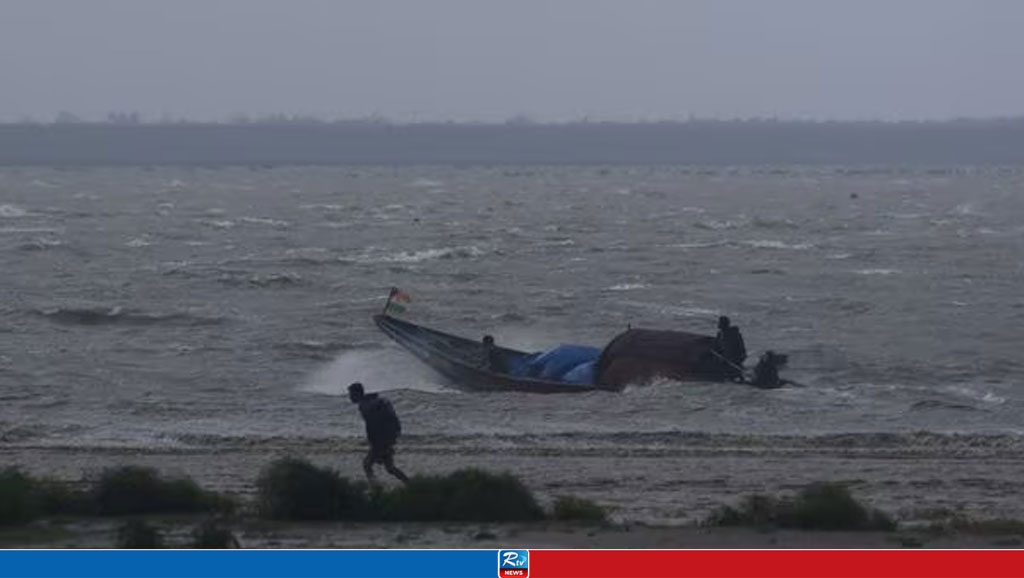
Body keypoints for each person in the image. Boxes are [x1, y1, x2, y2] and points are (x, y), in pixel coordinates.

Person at [348, 382, 409, 483]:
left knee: (367, 464)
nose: (350, 397)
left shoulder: (365, 406)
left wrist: (376, 444)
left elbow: (373, 426)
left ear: (357, 393)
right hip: (387, 439)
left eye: (351, 394)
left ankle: (375, 487)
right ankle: (410, 484)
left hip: (381, 441)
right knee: (390, 468)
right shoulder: (372, 402)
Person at [715, 316, 747, 381]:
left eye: (720, 323)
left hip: (735, 358)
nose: (718, 324)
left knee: (736, 373)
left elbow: (739, 347)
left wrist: (738, 357)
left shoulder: (733, 334)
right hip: (725, 359)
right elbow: (717, 346)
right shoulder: (720, 334)